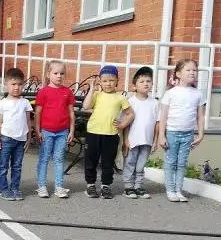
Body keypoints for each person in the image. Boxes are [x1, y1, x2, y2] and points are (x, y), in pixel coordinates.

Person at [82, 65, 134, 199]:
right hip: (93, 133)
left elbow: (130, 114)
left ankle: (106, 186)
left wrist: (122, 124)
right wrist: (92, 90)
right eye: (104, 81)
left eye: (111, 80)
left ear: (117, 81)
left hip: (110, 135)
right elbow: (86, 106)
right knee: (91, 160)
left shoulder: (120, 98)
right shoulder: (97, 95)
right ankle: (90, 185)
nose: (108, 83)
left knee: (108, 162)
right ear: (100, 81)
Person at [158, 59, 206, 202]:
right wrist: (162, 135)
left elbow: (200, 117)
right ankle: (170, 190)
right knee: (171, 162)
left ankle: (179, 190)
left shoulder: (197, 94)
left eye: (194, 70)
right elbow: (163, 116)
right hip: (172, 133)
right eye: (188, 70)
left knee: (181, 163)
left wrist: (201, 134)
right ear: (178, 74)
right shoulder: (171, 93)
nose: (192, 72)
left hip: (188, 134)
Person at [34, 60, 75, 198]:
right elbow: (38, 112)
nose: (59, 76)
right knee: (44, 158)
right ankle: (41, 186)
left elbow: (71, 113)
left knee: (59, 159)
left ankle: (59, 186)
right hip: (46, 131)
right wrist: (38, 130)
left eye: (62, 73)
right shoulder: (43, 92)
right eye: (55, 73)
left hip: (62, 132)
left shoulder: (67, 92)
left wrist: (72, 130)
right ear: (48, 74)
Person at [0, 68, 32, 201]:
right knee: (3, 166)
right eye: (13, 84)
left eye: (19, 84)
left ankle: (15, 188)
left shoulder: (25, 103)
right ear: (6, 84)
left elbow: (28, 121)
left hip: (20, 140)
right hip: (5, 139)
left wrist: (28, 138)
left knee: (17, 166)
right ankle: (4, 190)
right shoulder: (2, 103)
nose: (16, 87)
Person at [122, 66, 160, 199]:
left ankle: (138, 186)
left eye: (148, 81)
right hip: (132, 139)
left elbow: (157, 123)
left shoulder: (155, 103)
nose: (145, 84)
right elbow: (126, 123)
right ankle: (128, 187)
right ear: (135, 85)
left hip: (147, 140)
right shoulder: (130, 102)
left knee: (141, 164)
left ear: (152, 84)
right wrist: (125, 140)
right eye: (142, 81)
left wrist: (155, 141)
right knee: (130, 162)